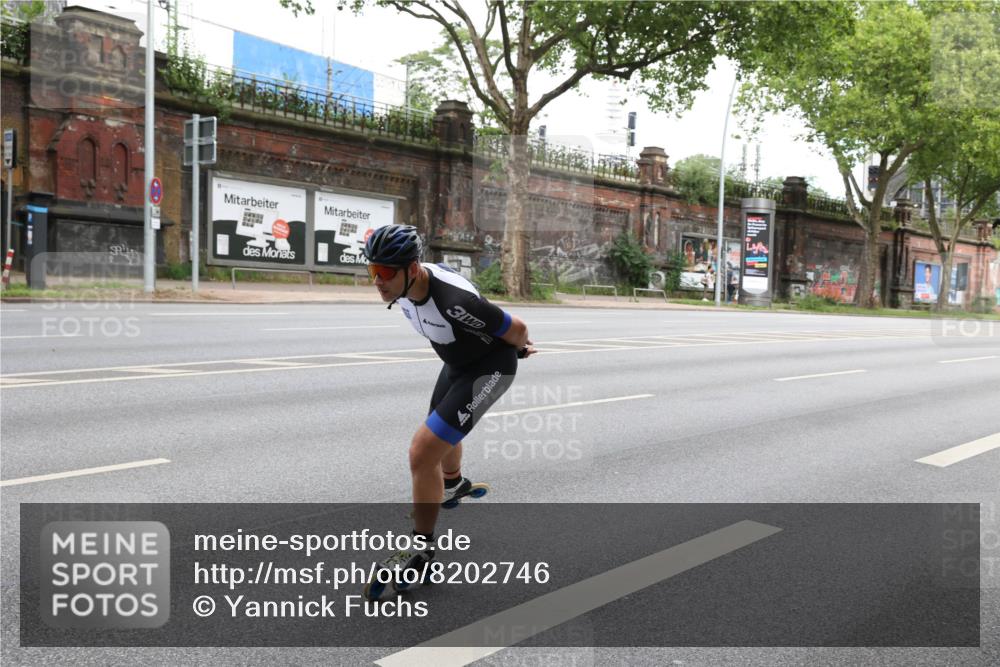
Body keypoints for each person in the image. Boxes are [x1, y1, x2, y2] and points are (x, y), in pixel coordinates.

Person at [361, 224, 535, 597]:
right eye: (373, 271)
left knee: (421, 453)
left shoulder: (455, 301)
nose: (378, 281)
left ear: (413, 268)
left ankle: (421, 550)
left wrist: (520, 347)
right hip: (456, 365)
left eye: (386, 272)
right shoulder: (404, 289)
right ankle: (454, 483)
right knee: (440, 440)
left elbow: (516, 328)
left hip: (490, 369)